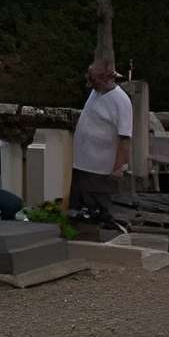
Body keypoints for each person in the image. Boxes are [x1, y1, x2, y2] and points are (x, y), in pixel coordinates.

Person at [71, 59, 134, 221]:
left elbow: (125, 138)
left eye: (94, 80)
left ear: (108, 79)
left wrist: (118, 167)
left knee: (100, 210)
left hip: (101, 169)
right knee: (83, 209)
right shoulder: (96, 92)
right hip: (83, 164)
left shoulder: (121, 101)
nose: (90, 84)